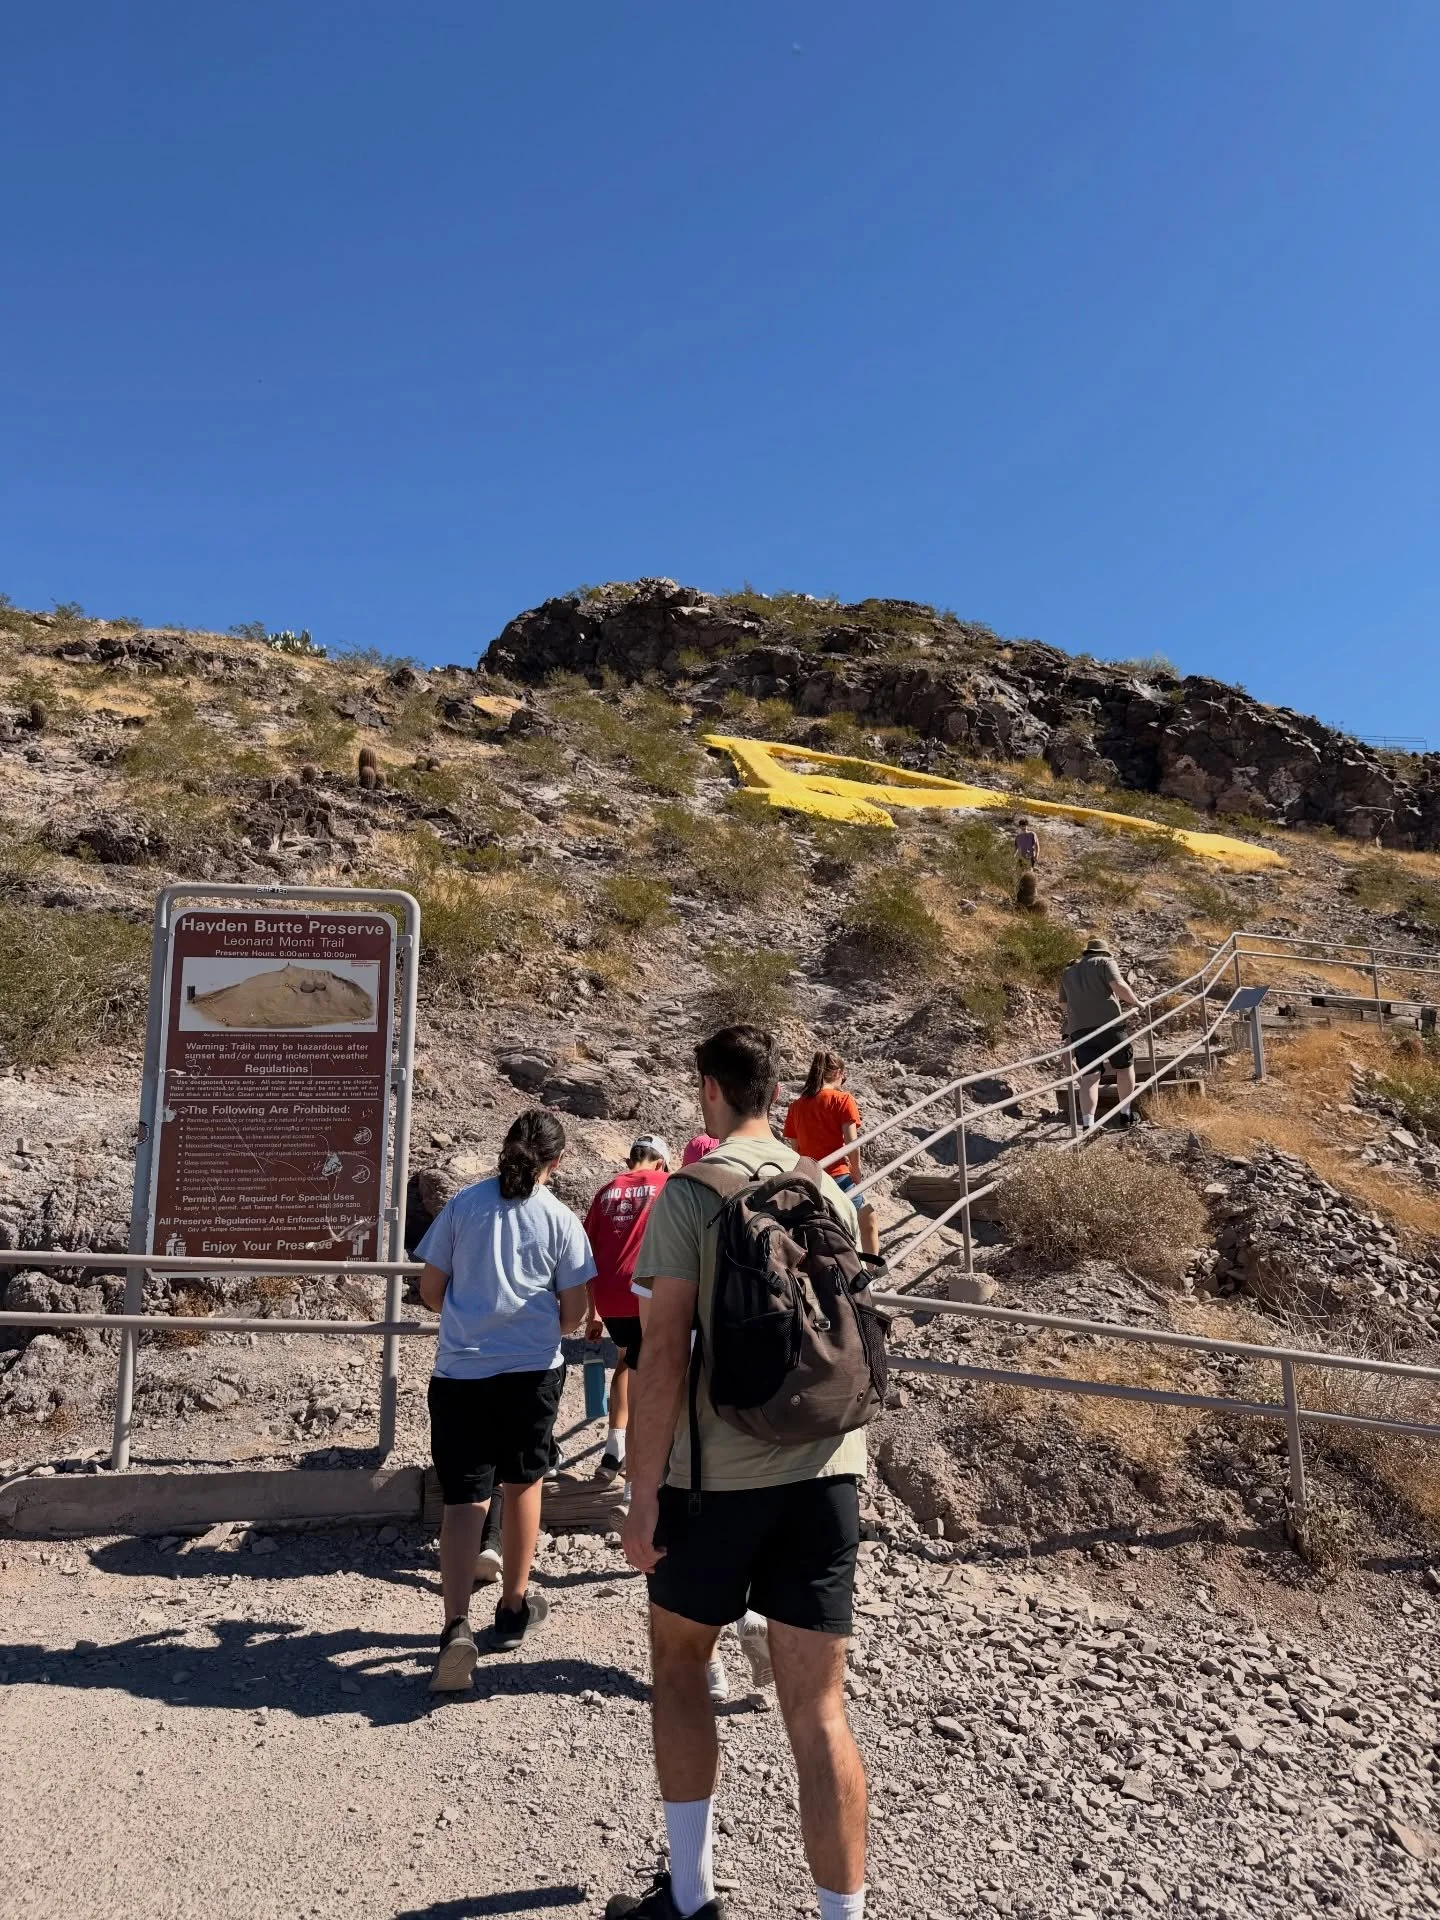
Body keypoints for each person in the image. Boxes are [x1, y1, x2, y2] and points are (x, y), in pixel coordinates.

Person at [609, 1026, 869, 1920]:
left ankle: (689, 1897)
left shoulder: (692, 1193)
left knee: (681, 1664)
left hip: (716, 1480)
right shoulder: (826, 1189)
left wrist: (642, 1493)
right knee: (820, 1709)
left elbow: (663, 1351)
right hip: (831, 1468)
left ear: (710, 1091)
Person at [417, 1109, 596, 1692]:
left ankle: (454, 1627)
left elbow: (429, 1290)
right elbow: (574, 1312)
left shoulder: (463, 1206)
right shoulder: (561, 1219)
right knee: (524, 1485)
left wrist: (468, 1322)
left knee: (465, 1498)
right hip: (529, 1373)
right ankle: (513, 1608)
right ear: (556, 1162)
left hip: (461, 1373)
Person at [583, 1135, 671, 1487]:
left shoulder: (606, 1191)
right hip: (646, 1293)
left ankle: (613, 1449)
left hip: (609, 1297)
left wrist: (594, 1313)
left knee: (626, 1361)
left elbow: (587, 1251)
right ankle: (639, 1471)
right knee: (652, 1373)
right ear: (662, 1162)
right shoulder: (667, 1185)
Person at [782, 1050, 881, 1262]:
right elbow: (852, 1143)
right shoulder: (843, 1100)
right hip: (837, 1175)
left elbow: (795, 1149)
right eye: (843, 1077)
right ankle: (874, 1271)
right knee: (868, 1217)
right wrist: (856, 1172)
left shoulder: (797, 1106)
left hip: (810, 1178)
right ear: (837, 1073)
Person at [1060, 934, 1142, 1130]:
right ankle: (1125, 1114)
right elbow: (1118, 985)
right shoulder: (1105, 962)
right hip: (1109, 1025)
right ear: (1104, 951)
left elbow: (1063, 1004)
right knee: (1124, 1067)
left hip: (1080, 1030)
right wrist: (1137, 1003)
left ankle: (1088, 1125)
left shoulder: (1068, 971)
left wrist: (1082, 1012)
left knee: (1089, 1077)